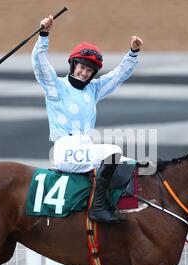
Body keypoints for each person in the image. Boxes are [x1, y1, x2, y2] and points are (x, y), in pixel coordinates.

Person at [32, 15, 143, 224]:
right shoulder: (56, 87)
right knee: (113, 152)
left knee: (131, 164)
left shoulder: (94, 89)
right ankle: (98, 208)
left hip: (84, 149)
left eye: (89, 70)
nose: (84, 73)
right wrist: (43, 35)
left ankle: (122, 211)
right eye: (82, 67)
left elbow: (118, 75)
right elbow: (40, 65)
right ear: (73, 65)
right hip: (65, 150)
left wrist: (133, 53)